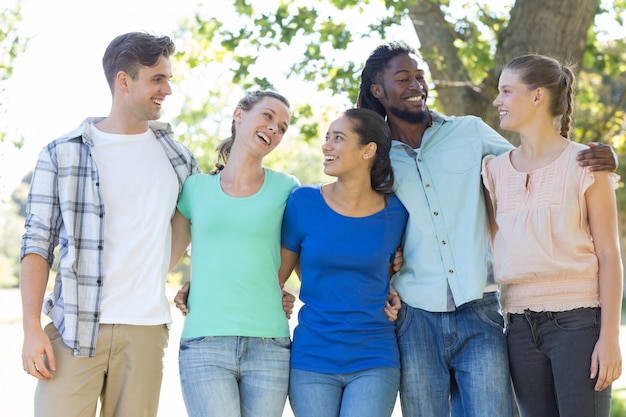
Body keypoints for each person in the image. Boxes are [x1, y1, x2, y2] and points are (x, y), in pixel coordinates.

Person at [356, 40, 618, 417]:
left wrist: (603, 155)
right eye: (403, 78)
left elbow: (538, 159)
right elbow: (358, 217)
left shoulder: (470, 134)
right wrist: (381, 266)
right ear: (378, 90)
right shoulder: (375, 157)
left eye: (419, 76)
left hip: (483, 308)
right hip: (418, 311)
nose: (416, 85)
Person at [20, 32, 200, 417]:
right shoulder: (61, 153)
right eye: (157, 79)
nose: (167, 89)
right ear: (124, 80)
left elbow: (197, 227)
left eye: (168, 79)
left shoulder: (180, 160)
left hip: (146, 332)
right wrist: (32, 328)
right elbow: (36, 243)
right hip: (74, 329)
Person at [482, 54, 622, 417]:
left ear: (537, 96)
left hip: (579, 323)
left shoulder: (587, 165)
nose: (497, 101)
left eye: (506, 91)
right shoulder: (494, 172)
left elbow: (609, 256)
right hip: (517, 326)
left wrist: (610, 337)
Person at [169, 90, 299, 417]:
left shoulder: (288, 189)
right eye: (267, 117)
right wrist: (191, 286)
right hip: (204, 343)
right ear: (239, 114)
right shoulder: (194, 189)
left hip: (269, 344)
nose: (274, 129)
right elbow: (164, 260)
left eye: (282, 127)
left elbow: (305, 257)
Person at [279, 108, 408, 417]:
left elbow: (400, 269)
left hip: (374, 357)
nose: (327, 146)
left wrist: (394, 287)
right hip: (312, 357)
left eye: (338, 138)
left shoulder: (397, 213)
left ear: (368, 151)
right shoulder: (303, 202)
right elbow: (279, 274)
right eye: (327, 138)